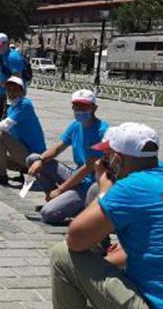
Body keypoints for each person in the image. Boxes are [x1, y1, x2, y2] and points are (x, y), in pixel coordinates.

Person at [51, 122, 163, 309]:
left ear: (117, 159)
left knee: (61, 254)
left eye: (106, 157)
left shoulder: (132, 187)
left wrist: (104, 190)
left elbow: (75, 239)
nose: (102, 163)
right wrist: (102, 265)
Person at [26, 90, 108, 224]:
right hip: (77, 175)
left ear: (94, 108)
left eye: (84, 106)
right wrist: (40, 160)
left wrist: (60, 189)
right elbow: (58, 147)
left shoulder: (101, 132)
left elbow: (88, 168)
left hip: (91, 185)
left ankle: (79, 208)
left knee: (48, 214)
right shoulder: (76, 125)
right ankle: (56, 199)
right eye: (76, 106)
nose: (79, 110)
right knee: (33, 159)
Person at [0, 76, 46, 185]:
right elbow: (11, 134)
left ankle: (1, 175)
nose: (11, 93)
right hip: (23, 152)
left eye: (15, 90)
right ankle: (23, 170)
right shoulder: (12, 108)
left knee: (0, 135)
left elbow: (6, 124)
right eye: (9, 89)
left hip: (35, 156)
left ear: (22, 91)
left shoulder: (25, 104)